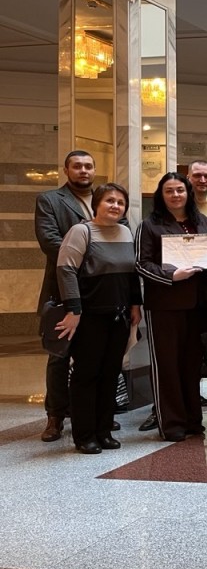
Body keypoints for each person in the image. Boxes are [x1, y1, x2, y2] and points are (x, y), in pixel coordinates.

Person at [54, 183, 141, 454]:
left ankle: (104, 431)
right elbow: (66, 270)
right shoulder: (82, 231)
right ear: (97, 205)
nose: (115, 206)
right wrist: (73, 310)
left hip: (119, 316)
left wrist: (135, 304)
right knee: (86, 375)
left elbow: (131, 273)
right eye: (109, 201)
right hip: (89, 317)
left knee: (110, 374)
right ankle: (84, 435)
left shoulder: (125, 232)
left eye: (120, 202)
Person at [135, 172, 207, 442]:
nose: (175, 195)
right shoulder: (149, 225)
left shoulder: (203, 223)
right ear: (161, 195)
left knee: (192, 365)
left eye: (180, 190)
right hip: (164, 306)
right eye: (169, 191)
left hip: (198, 306)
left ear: (188, 193)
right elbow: (141, 264)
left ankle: (192, 420)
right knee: (167, 366)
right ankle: (171, 424)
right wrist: (171, 276)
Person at [35, 150, 96, 442]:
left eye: (88, 166)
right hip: (62, 289)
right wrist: (94, 259)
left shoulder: (104, 199)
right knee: (60, 356)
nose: (83, 171)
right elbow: (49, 241)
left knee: (94, 356)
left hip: (98, 292)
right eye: (77, 166)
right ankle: (55, 417)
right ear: (66, 170)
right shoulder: (50, 200)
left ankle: (91, 413)